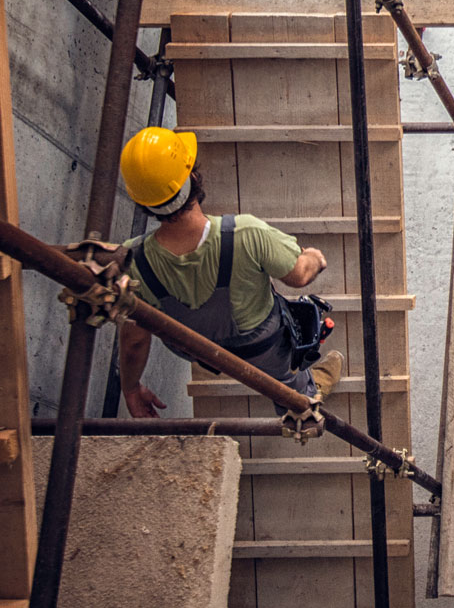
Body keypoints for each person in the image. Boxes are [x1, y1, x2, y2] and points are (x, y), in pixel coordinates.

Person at [115, 127, 343, 417]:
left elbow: (134, 341)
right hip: (263, 350)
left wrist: (131, 389)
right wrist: (314, 258)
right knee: (288, 379)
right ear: (193, 178)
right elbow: (298, 276)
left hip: (201, 353)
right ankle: (306, 399)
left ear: (143, 202)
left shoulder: (132, 261)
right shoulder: (247, 234)